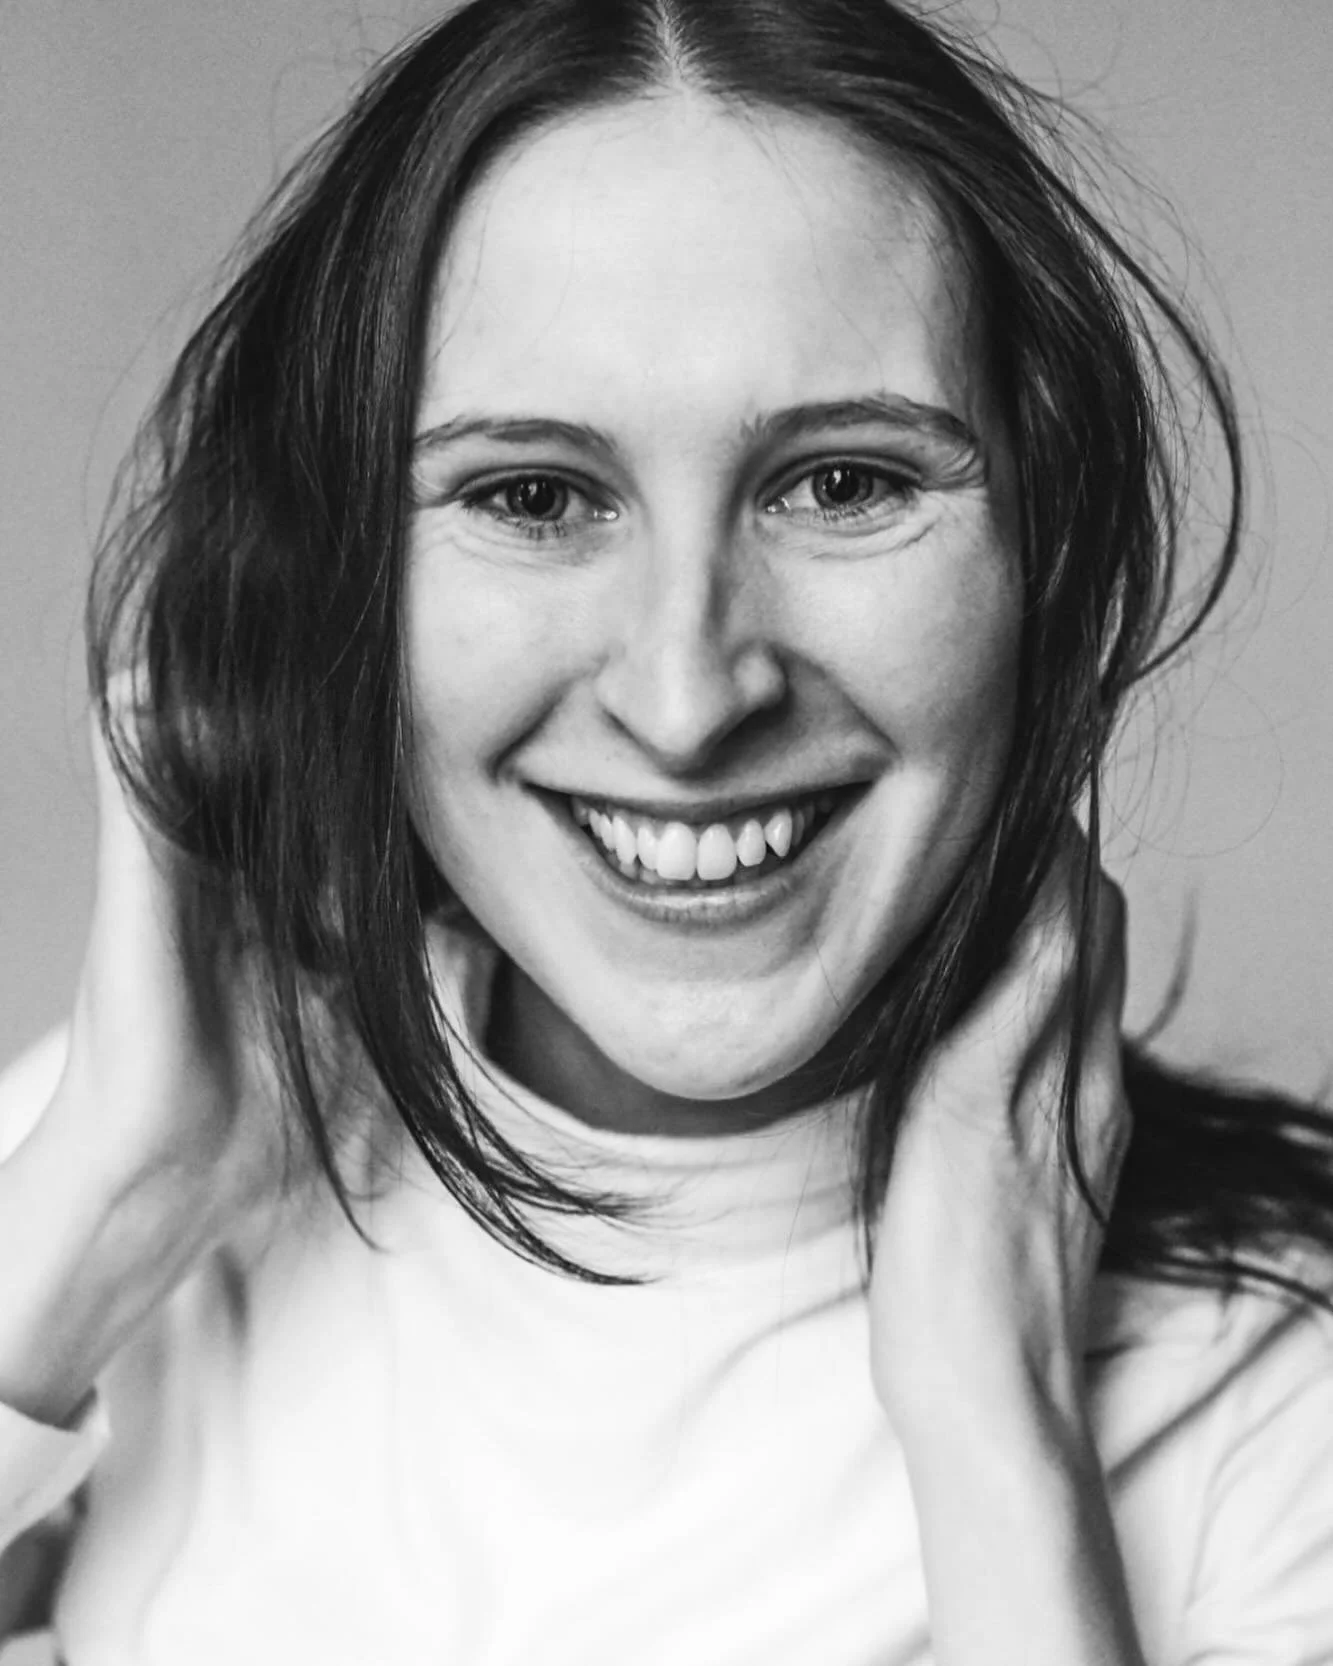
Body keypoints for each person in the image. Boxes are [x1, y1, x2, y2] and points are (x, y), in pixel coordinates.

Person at [1, 0, 1331, 1660]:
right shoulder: (98, 1169)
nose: (690, 699)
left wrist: (999, 1421)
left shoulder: (1282, 1411)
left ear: (1044, 562)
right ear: (343, 581)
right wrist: (103, 1209)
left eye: (843, 483)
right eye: (534, 496)